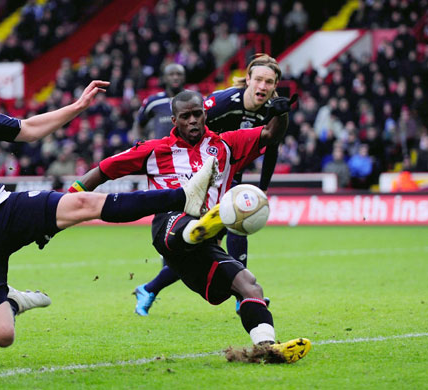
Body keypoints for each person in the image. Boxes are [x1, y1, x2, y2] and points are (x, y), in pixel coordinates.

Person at [0, 59, 217, 348]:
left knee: (82, 203)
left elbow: (28, 129)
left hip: (2, 208)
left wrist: (77, 107)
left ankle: (183, 196)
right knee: (2, 335)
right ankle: (12, 301)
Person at [76, 90, 310, 363]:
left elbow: (270, 134)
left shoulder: (226, 145)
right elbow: (103, 170)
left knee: (250, 286)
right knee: (184, 219)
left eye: (197, 114)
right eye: (185, 117)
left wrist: (281, 113)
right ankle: (202, 223)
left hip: (202, 247)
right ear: (174, 120)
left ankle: (267, 348)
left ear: (205, 113)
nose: (192, 121)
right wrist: (69, 198)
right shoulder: (155, 150)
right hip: (168, 228)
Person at [134, 53, 286, 316]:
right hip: (199, 173)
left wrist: (263, 187)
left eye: (269, 82)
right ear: (248, 79)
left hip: (229, 172)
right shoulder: (223, 102)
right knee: (219, 233)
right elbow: (190, 124)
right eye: (259, 79)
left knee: (212, 241)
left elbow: (271, 146)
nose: (263, 86)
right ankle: (241, 295)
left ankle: (150, 288)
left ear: (275, 85)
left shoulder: (274, 109)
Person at [131, 63, 186, 140]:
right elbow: (139, 123)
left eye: (179, 74)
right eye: (171, 74)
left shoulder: (195, 99)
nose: (175, 77)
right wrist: (138, 143)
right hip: (162, 150)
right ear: (164, 78)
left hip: (188, 149)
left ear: (184, 77)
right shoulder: (153, 101)